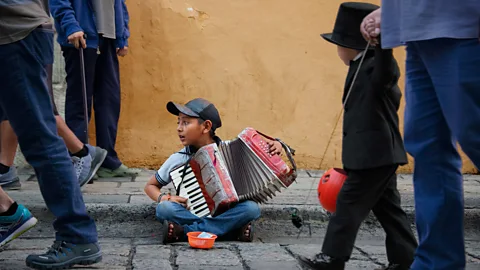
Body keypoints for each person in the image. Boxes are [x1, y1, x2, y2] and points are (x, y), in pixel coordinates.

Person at [298, 3, 418, 270]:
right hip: (377, 154)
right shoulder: (358, 66)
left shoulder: (377, 66)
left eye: (339, 44)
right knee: (389, 210)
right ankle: (406, 259)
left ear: (351, 45)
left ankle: (332, 258)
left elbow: (386, 73)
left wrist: (382, 43)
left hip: (373, 155)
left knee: (348, 205)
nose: (337, 50)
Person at [360, 2, 480, 269]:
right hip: (418, 32)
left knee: (474, 137)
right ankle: (436, 263)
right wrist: (393, 12)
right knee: (427, 149)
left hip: (465, 26)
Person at [0, 1, 102, 269]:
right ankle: (5, 211)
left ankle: (77, 235)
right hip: (16, 34)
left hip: (16, 34)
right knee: (40, 137)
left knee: (41, 141)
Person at [144, 98, 283, 243]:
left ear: (206, 126)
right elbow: (150, 186)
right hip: (192, 213)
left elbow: (260, 156)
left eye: (185, 122)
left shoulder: (230, 152)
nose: (179, 128)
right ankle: (231, 232)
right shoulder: (178, 159)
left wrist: (276, 145)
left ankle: (183, 232)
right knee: (164, 209)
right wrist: (164, 198)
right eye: (178, 122)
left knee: (252, 209)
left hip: (225, 212)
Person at [50, 0, 139, 178]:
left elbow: (119, 4)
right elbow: (58, 1)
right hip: (80, 36)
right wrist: (70, 25)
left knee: (109, 100)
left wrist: (122, 35)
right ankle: (81, 160)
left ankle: (108, 161)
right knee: (80, 102)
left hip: (109, 38)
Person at [0, 63, 107, 190]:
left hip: (26, 48)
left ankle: (82, 152)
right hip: (15, 47)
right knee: (12, 102)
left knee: (37, 104)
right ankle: (5, 169)